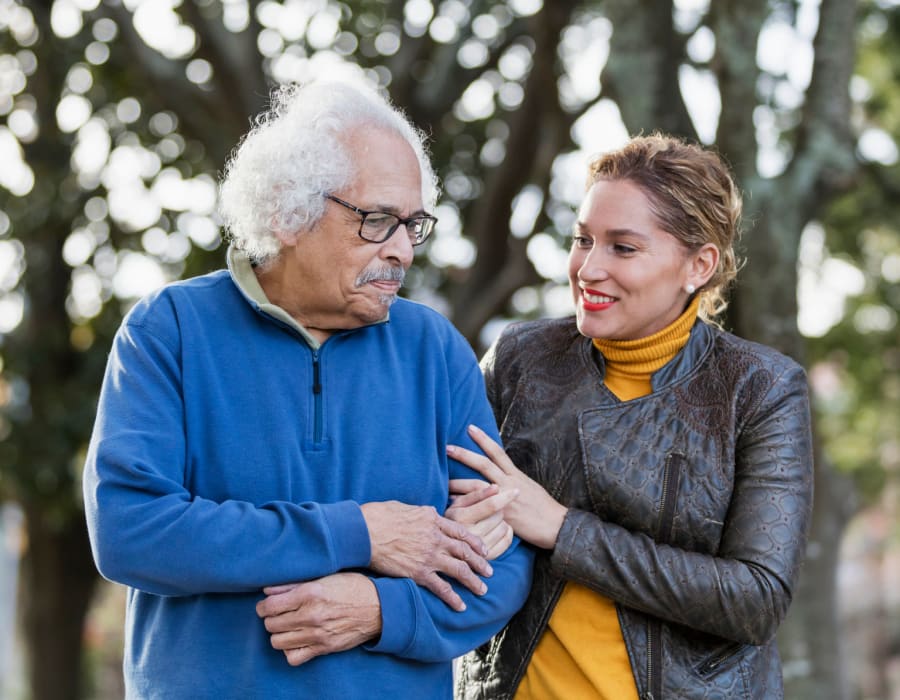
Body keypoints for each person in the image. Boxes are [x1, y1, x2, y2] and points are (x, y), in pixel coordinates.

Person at [82, 77, 533, 700]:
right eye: (377, 221)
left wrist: (381, 610)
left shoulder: (438, 351)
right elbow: (131, 531)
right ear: (286, 212)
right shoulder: (169, 331)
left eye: (413, 224)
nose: (402, 249)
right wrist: (360, 535)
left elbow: (502, 565)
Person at [448, 133, 814, 699]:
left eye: (623, 248)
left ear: (699, 264)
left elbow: (756, 599)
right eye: (582, 240)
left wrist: (562, 529)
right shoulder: (521, 359)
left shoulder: (759, 389)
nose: (588, 269)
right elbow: (443, 507)